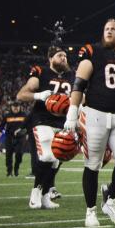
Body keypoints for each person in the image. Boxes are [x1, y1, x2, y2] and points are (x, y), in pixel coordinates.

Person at [64, 20, 115, 228]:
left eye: (113, 29)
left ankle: (112, 201)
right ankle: (90, 211)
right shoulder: (93, 51)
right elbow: (79, 84)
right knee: (93, 163)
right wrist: (72, 113)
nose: (109, 31)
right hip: (95, 114)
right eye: (106, 29)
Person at [16, 47, 73, 209]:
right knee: (48, 156)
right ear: (50, 58)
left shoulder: (71, 75)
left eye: (65, 56)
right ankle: (36, 191)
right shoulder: (41, 72)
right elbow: (21, 94)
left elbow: (78, 97)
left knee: (57, 160)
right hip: (42, 119)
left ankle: (46, 195)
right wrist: (38, 95)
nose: (64, 58)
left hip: (63, 122)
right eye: (60, 55)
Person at [2, 107, 28, 177]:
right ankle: (9, 171)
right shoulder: (7, 115)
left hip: (20, 138)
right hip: (9, 138)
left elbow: (28, 125)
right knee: (8, 155)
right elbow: (2, 124)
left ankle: (16, 169)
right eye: (14, 106)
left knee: (19, 154)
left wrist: (27, 133)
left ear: (20, 107)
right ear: (11, 107)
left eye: (17, 106)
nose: (15, 108)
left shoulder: (24, 115)